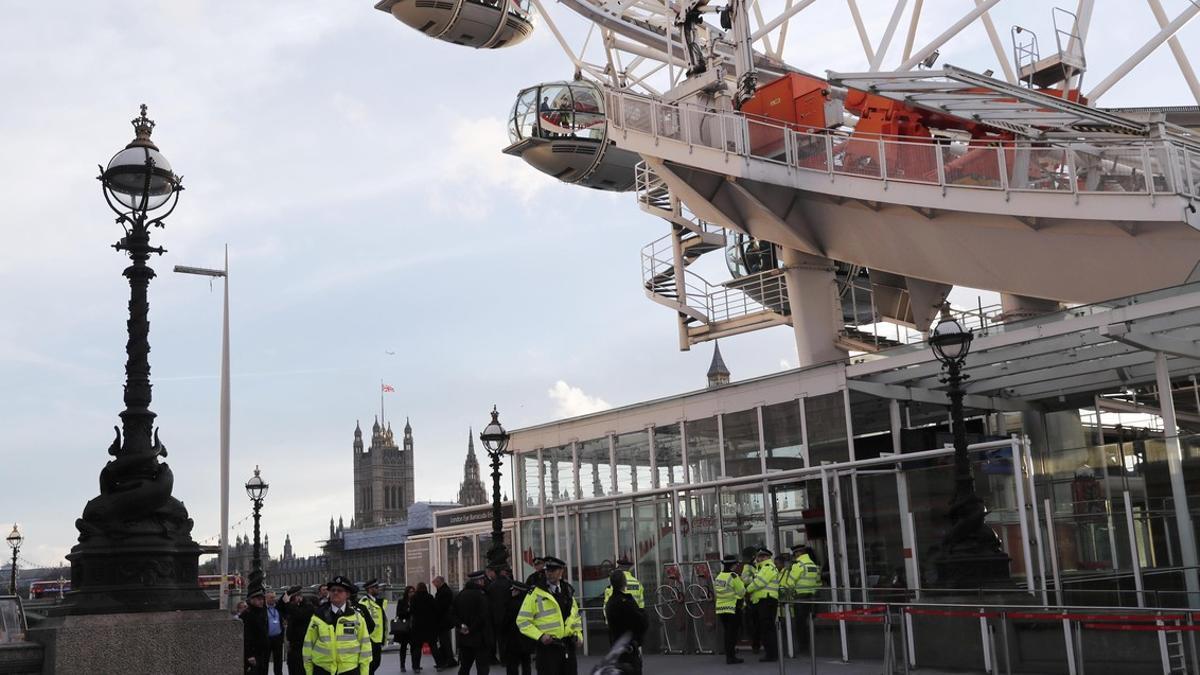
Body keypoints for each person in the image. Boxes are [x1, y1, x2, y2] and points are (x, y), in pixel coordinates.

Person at [515, 556, 581, 675]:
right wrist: (540, 636)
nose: (549, 574)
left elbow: (575, 618)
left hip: (568, 646)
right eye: (547, 571)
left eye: (553, 570)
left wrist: (578, 636)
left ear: (561, 571)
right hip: (548, 648)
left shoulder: (568, 591)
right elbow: (522, 620)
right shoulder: (535, 593)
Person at [302, 575, 373, 675]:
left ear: (347, 594)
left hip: (349, 670)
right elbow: (308, 646)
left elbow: (365, 647)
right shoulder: (318, 617)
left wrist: (364, 672)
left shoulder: (356, 617)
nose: (335, 593)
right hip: (322, 669)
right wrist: (309, 672)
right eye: (333, 590)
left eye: (340, 590)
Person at [603, 570, 647, 675]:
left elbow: (605, 608)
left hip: (616, 637)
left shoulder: (609, 595)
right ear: (624, 582)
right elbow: (641, 610)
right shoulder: (636, 584)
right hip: (631, 639)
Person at [781, 545, 821, 654]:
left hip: (800, 598)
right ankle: (809, 647)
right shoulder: (813, 565)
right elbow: (818, 583)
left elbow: (790, 583)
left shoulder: (798, 565)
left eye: (794, 555)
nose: (794, 557)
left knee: (800, 624)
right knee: (808, 623)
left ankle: (803, 648)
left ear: (798, 553)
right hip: (812, 598)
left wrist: (783, 593)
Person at [453, 570, 494, 675]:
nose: (484, 582)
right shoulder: (482, 595)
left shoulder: (460, 595)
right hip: (480, 638)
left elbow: (453, 614)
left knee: (465, 666)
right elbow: (483, 616)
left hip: (464, 638)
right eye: (483, 580)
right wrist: (471, 629)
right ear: (479, 581)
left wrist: (461, 626)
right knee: (482, 667)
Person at [745, 547, 780, 663]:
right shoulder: (762, 568)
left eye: (760, 557)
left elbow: (759, 583)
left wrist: (747, 590)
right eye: (758, 557)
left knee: (767, 629)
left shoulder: (767, 567)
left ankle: (771, 654)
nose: (758, 559)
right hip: (764, 601)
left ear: (766, 557)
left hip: (766, 601)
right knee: (766, 628)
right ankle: (771, 653)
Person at [714, 554, 746, 665]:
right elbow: (742, 592)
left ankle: (729, 656)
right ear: (733, 565)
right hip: (732, 608)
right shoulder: (733, 576)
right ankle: (731, 657)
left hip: (721, 609)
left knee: (727, 633)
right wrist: (738, 598)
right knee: (732, 634)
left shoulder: (719, 576)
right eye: (736, 564)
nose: (737, 566)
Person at [501, 582, 532, 675]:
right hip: (526, 639)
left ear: (518, 591)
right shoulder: (528, 604)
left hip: (513, 640)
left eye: (514, 590)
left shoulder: (511, 604)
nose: (512, 592)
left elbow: (505, 621)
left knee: (512, 665)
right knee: (526, 664)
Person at [283, 586, 315, 675]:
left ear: (299, 597)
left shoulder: (308, 607)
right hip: (293, 645)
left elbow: (299, 615)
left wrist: (288, 604)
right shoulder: (294, 607)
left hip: (302, 645)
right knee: (292, 669)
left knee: (300, 670)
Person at [358, 579, 388, 674]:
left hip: (378, 637)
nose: (378, 589)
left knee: (376, 662)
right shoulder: (364, 602)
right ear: (369, 589)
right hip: (370, 638)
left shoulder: (378, 602)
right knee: (371, 664)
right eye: (376, 587)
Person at [410, 582, 440, 673]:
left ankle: (416, 667)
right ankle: (439, 665)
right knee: (433, 646)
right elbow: (436, 610)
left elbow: (412, 611)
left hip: (418, 626)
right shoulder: (430, 597)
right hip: (430, 625)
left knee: (417, 647)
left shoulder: (414, 598)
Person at [485, 566, 512, 665]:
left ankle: (502, 659)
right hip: (508, 614)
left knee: (499, 638)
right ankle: (508, 658)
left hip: (495, 616)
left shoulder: (492, 586)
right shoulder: (509, 584)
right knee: (508, 638)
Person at [242, 586, 270, 675]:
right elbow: (247, 636)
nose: (261, 601)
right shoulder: (248, 614)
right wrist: (250, 654)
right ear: (251, 600)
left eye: (262, 599)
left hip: (262, 651)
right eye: (259, 599)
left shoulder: (261, 612)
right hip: (254, 653)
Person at [432, 576, 458, 669]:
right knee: (444, 641)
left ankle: (449, 660)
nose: (434, 585)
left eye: (435, 583)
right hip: (444, 620)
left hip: (443, 621)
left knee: (445, 641)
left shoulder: (444, 592)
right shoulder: (444, 591)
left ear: (439, 582)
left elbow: (441, 607)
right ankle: (447, 660)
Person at [739, 547, 759, 654]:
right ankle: (755, 645)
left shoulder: (755, 565)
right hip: (751, 598)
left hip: (757, 597)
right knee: (754, 623)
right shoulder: (748, 566)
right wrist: (757, 579)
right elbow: (745, 579)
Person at [392, 586, 415, 673]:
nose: (411, 593)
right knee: (403, 647)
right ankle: (402, 665)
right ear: (406, 593)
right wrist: (408, 610)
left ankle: (415, 665)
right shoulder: (402, 601)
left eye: (413, 592)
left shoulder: (415, 601)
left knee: (414, 647)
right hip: (404, 627)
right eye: (410, 592)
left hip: (413, 627)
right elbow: (399, 614)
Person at [265, 591, 285, 675]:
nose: (274, 599)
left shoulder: (278, 609)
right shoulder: (263, 610)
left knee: (278, 661)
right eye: (271, 597)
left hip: (277, 638)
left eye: (274, 597)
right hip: (267, 639)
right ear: (266, 599)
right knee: (265, 661)